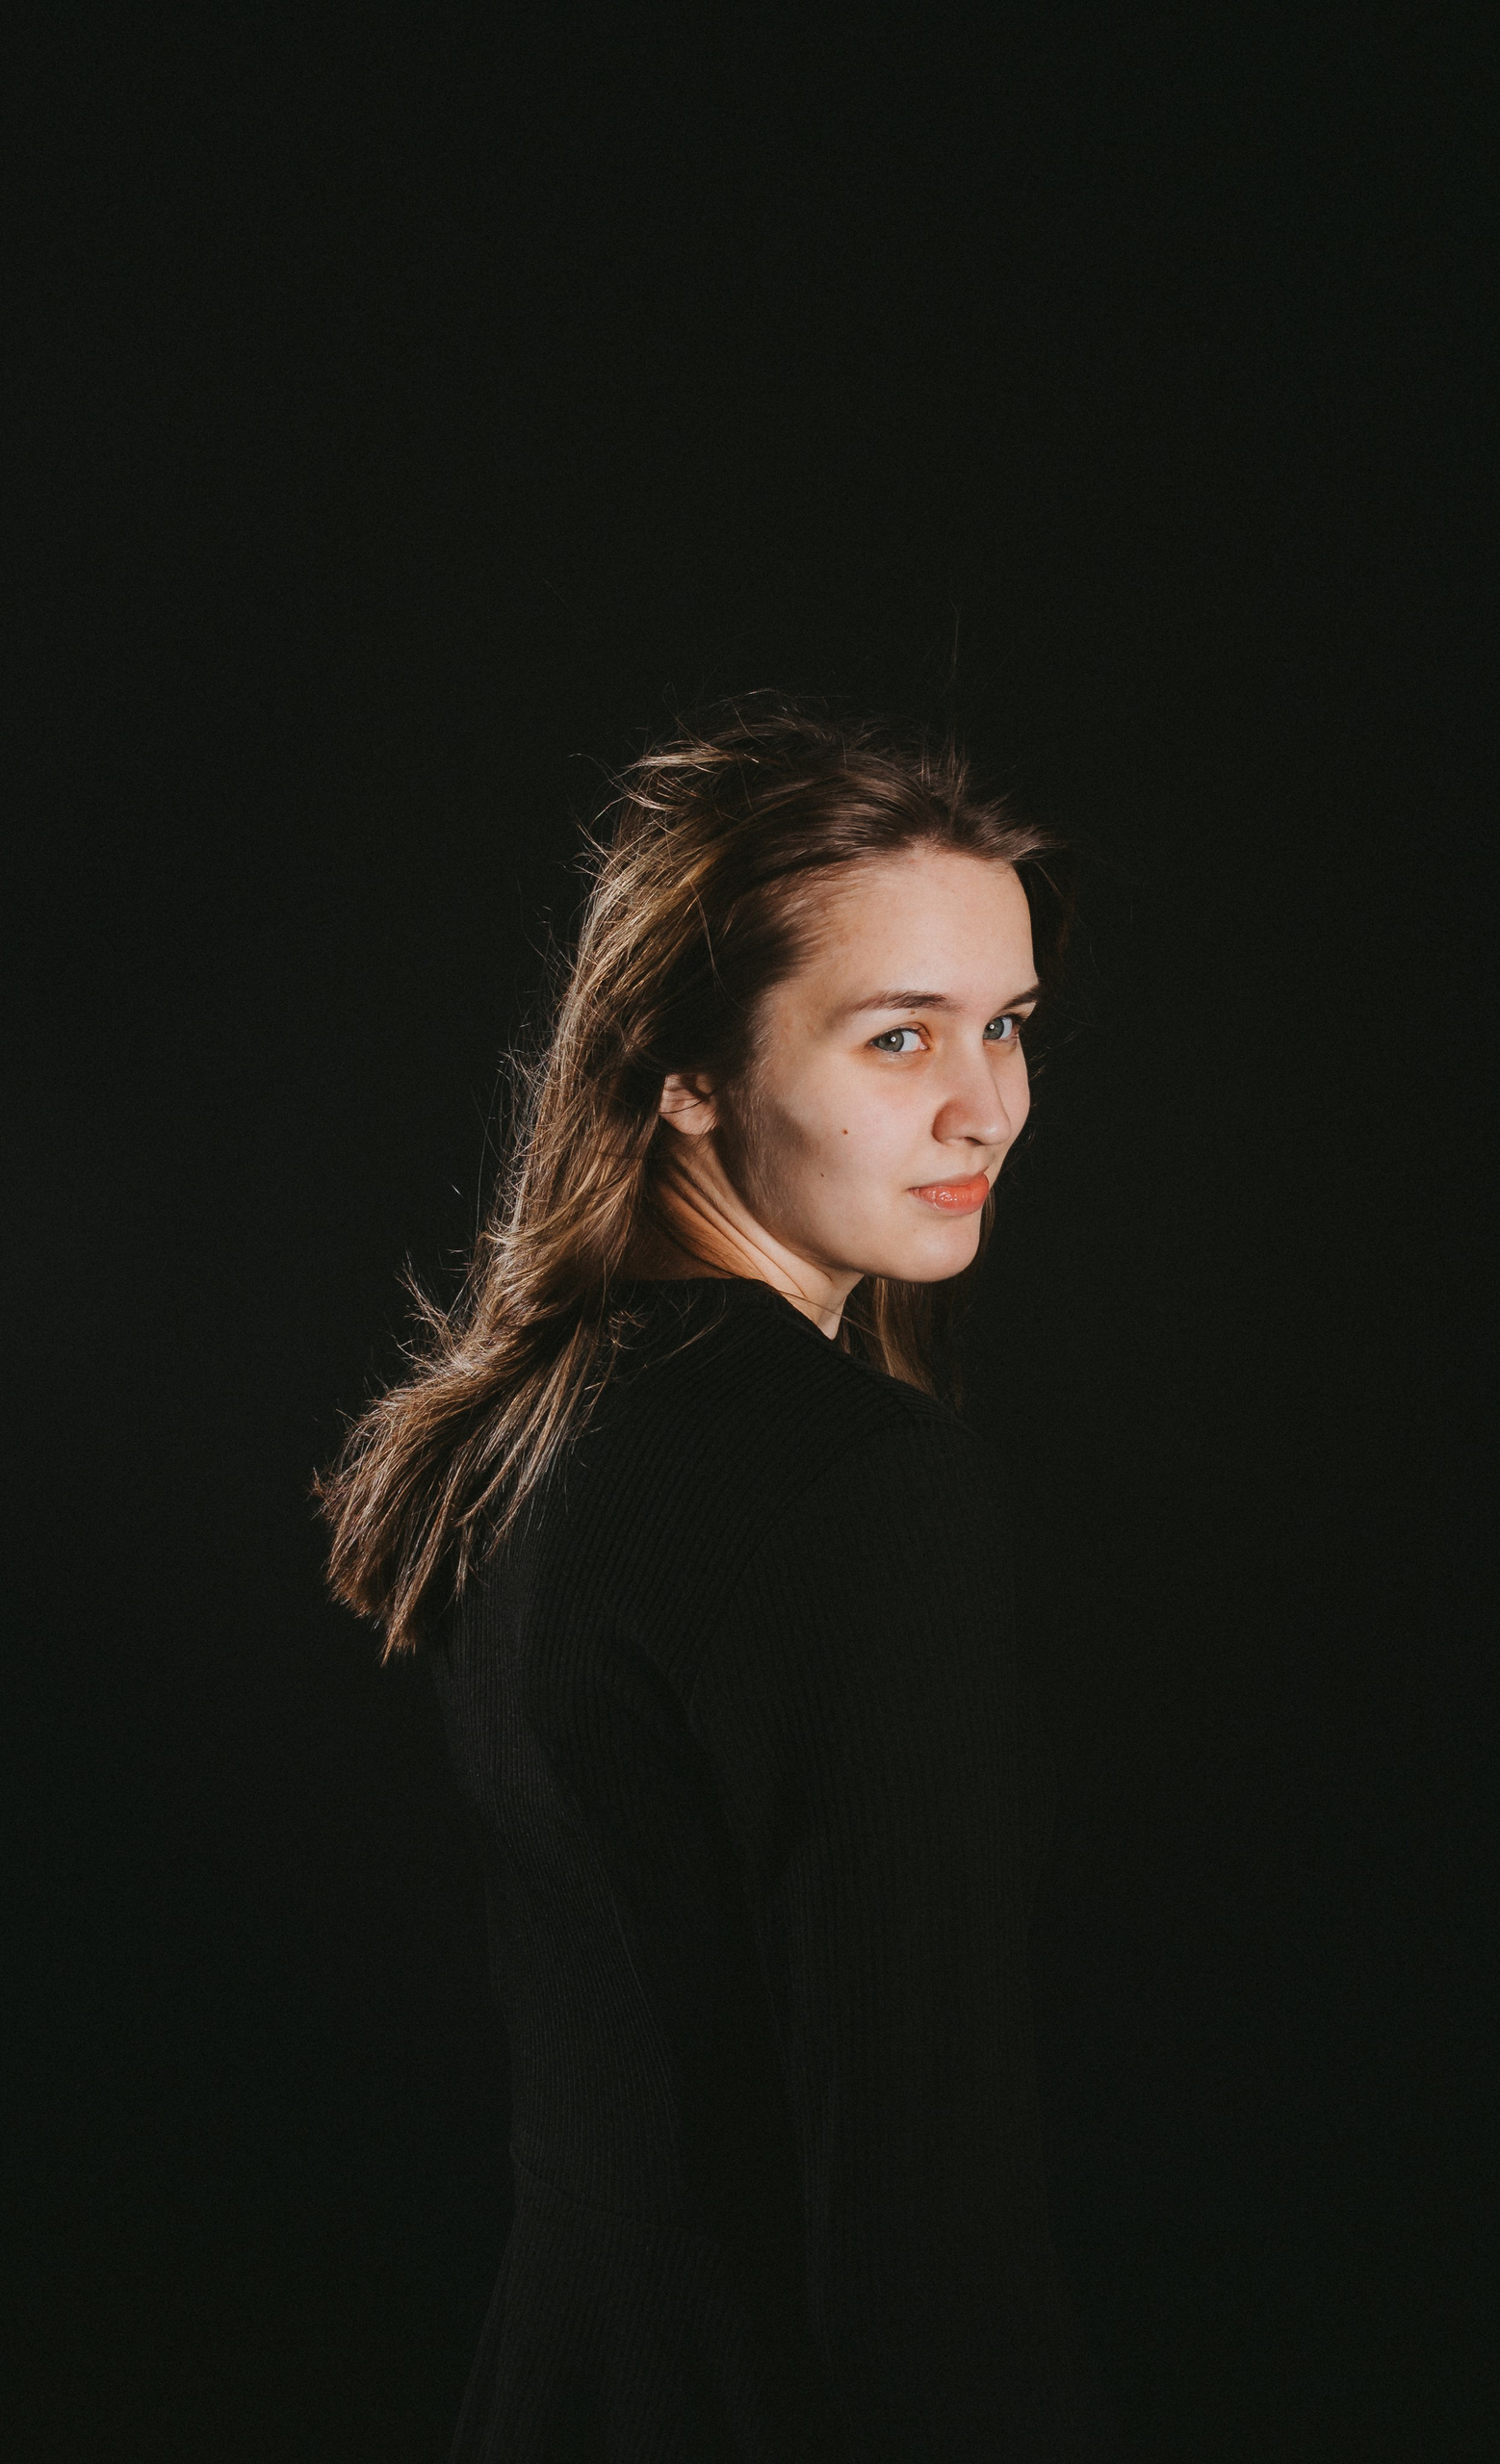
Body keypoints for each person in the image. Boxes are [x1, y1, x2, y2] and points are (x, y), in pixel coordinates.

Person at [317, 703, 1115, 2460]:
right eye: (899, 1036)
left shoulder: (533, 1422)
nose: (988, 1108)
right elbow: (926, 2238)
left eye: (1007, 1026)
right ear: (685, 1069)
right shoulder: (851, 1485)